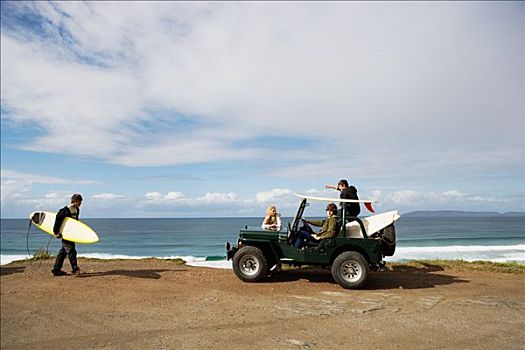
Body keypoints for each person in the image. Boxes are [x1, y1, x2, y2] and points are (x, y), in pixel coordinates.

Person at [51, 194, 83, 276]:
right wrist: (56, 232)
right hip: (64, 233)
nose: (80, 203)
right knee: (72, 251)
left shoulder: (77, 210)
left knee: (63, 252)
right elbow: (58, 221)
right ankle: (75, 269)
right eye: (79, 202)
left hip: (71, 234)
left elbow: (75, 221)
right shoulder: (65, 210)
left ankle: (56, 269)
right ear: (75, 201)